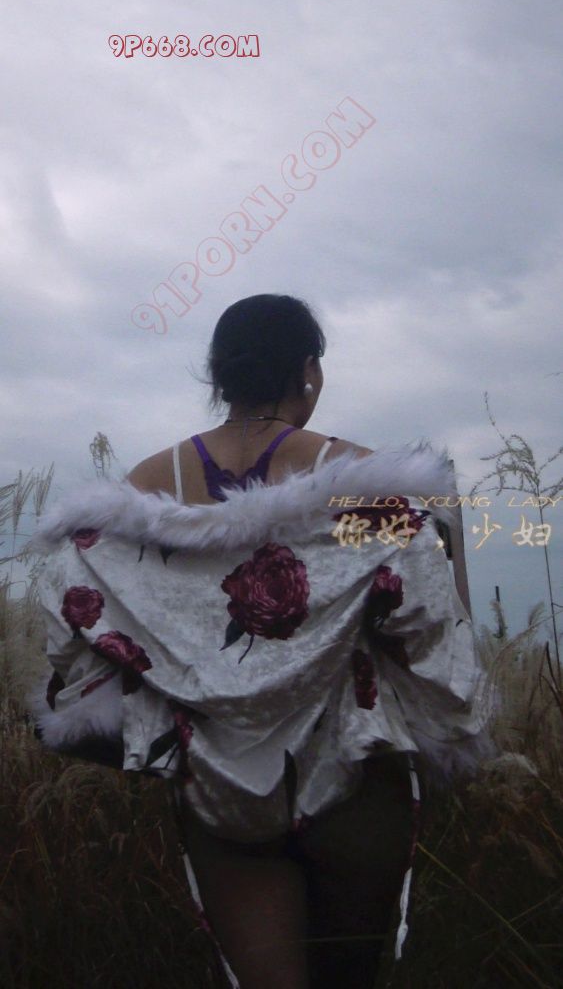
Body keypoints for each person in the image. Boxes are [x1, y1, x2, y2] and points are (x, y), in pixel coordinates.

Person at [29, 294, 494, 989]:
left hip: (218, 784)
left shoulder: (148, 489)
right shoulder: (362, 483)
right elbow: (430, 616)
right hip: (353, 769)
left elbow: (74, 614)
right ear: (308, 371)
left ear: (217, 375)